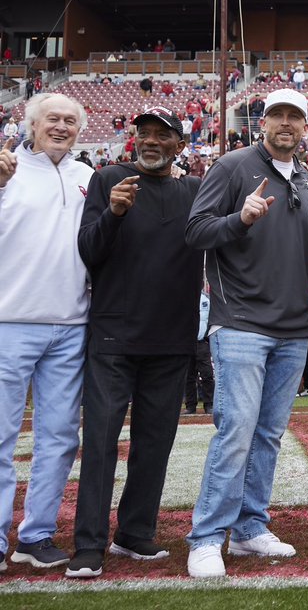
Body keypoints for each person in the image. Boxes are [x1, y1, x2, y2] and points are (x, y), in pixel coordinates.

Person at [183, 88, 308, 578]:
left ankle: (249, 528)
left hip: (294, 326)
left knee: (268, 434)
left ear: (305, 127)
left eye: (294, 117)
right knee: (237, 430)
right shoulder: (232, 166)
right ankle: (206, 536)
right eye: (277, 115)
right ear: (262, 122)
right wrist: (240, 219)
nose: (286, 123)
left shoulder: (307, 179)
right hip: (241, 320)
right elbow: (195, 231)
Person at [67, 110, 204, 579]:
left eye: (162, 135)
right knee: (100, 443)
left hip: (172, 338)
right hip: (113, 336)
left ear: (179, 146)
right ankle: (88, 543)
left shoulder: (193, 189)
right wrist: (114, 213)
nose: (150, 141)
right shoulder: (109, 179)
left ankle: (134, 531)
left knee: (155, 444)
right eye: (143, 133)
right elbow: (88, 250)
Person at [0, 94, 93, 570]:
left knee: (59, 437)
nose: (61, 126)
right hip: (10, 322)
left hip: (72, 325)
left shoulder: (89, 177)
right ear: (31, 124)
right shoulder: (6, 172)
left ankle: (36, 535)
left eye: (70, 120)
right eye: (52, 119)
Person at [185, 287, 215, 415]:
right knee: (188, 377)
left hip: (202, 343)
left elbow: (212, 319)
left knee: (207, 375)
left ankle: (209, 405)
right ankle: (190, 406)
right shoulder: (184, 299)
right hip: (187, 344)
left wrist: (208, 338)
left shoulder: (207, 299)